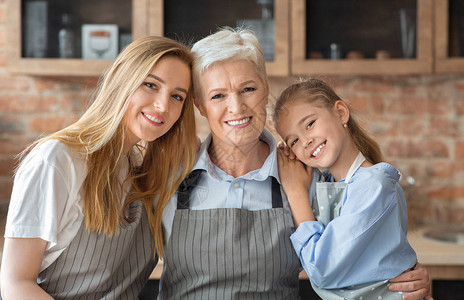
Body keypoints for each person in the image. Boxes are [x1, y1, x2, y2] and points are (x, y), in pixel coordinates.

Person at [158, 27, 432, 299]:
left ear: (266, 90)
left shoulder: (307, 178)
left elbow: (363, 256)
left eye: (248, 89)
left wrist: (412, 279)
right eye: (218, 95)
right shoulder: (169, 172)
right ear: (199, 105)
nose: (237, 106)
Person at [0, 36, 197, 299]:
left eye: (177, 96)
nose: (163, 105)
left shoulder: (141, 172)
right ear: (121, 82)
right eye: (150, 85)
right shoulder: (58, 160)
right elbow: (16, 284)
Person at [274, 78, 431, 299]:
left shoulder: (374, 185)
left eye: (310, 124)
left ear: (340, 113)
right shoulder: (325, 185)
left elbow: (322, 269)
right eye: (294, 141)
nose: (306, 141)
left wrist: (296, 193)